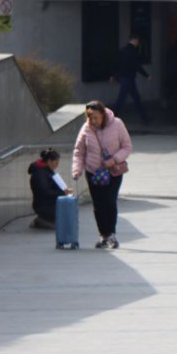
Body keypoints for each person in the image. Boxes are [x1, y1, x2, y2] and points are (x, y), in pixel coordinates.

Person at [71, 101, 133, 249]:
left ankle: (111, 234)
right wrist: (77, 169)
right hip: (93, 172)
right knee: (98, 205)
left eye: (96, 117)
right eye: (90, 117)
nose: (93, 121)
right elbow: (79, 151)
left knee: (110, 202)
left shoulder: (117, 124)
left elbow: (127, 147)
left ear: (103, 115)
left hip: (112, 171)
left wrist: (114, 159)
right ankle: (103, 235)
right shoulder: (86, 129)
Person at [27, 148, 71, 229]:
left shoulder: (48, 172)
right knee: (60, 226)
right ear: (49, 161)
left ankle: (46, 220)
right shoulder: (40, 174)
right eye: (56, 162)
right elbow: (44, 192)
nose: (57, 164)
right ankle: (40, 221)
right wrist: (61, 192)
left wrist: (63, 190)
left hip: (50, 202)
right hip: (43, 205)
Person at [112, 34, 150, 125]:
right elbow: (137, 65)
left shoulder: (122, 50)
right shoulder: (133, 52)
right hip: (129, 78)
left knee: (133, 97)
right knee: (123, 98)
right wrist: (146, 75)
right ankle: (112, 116)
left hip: (124, 77)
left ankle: (144, 117)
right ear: (136, 40)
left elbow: (117, 64)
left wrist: (114, 75)